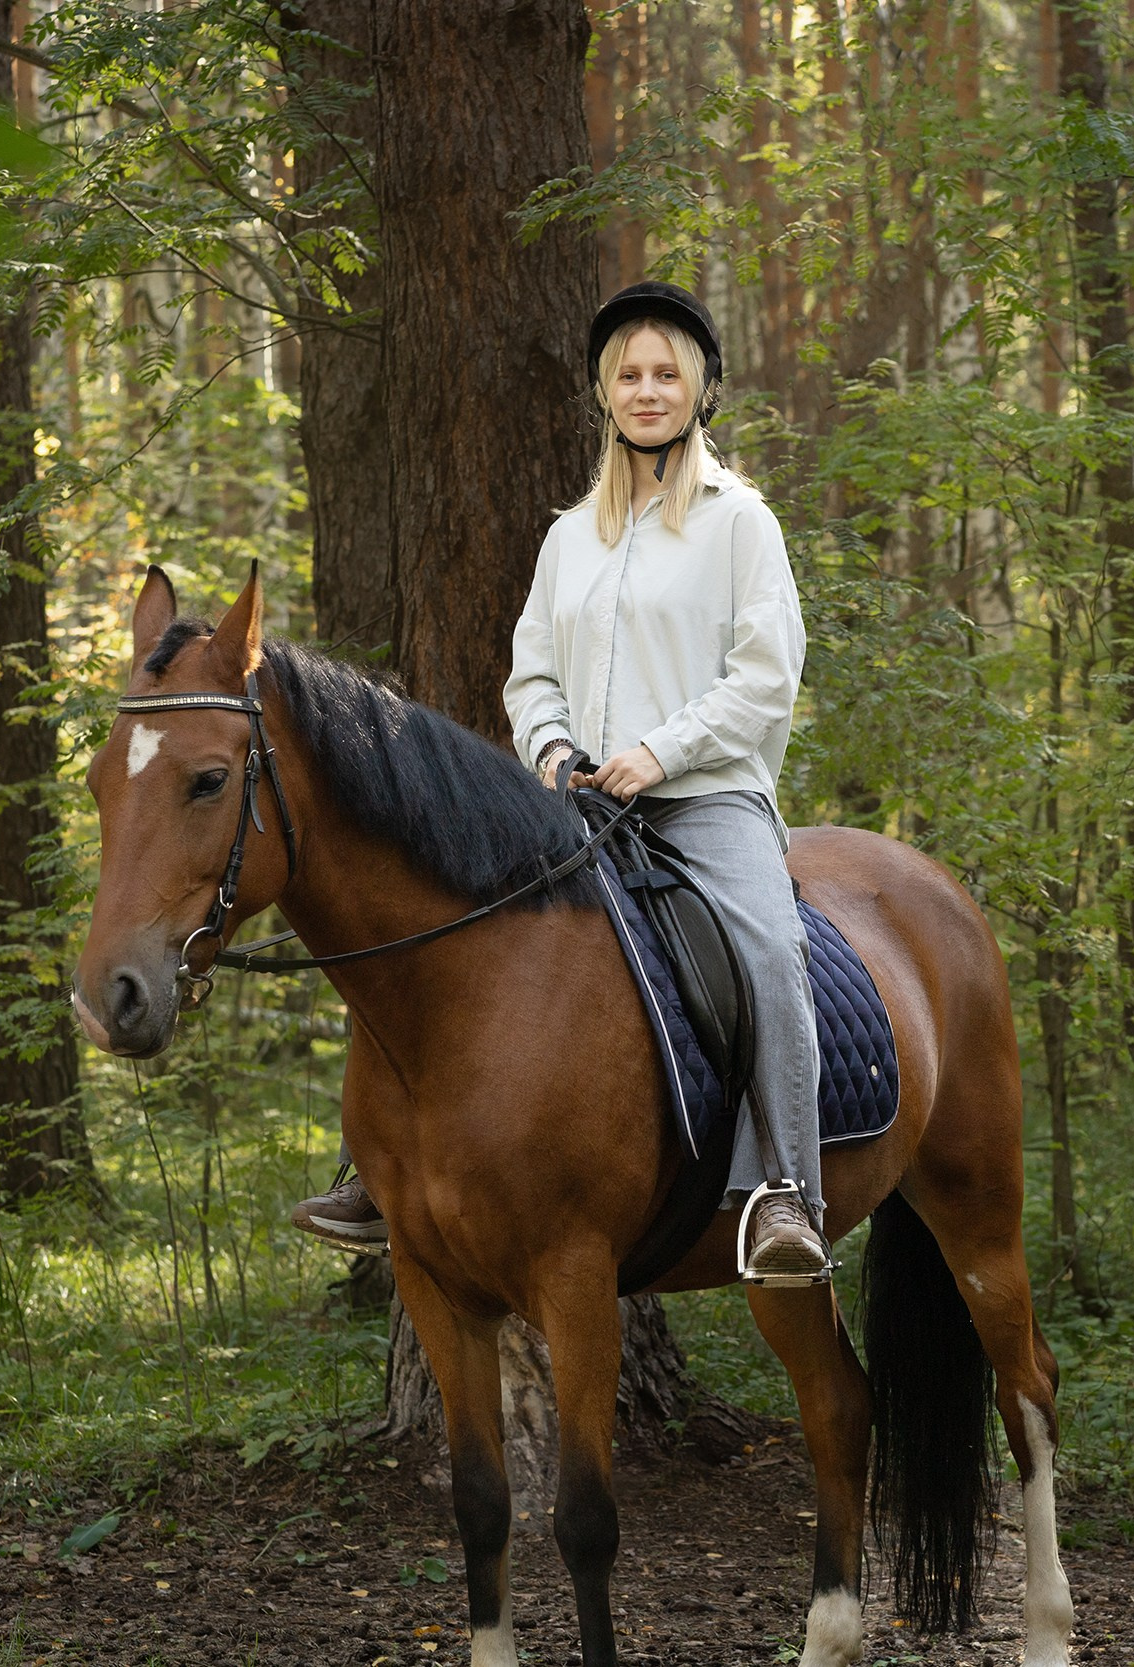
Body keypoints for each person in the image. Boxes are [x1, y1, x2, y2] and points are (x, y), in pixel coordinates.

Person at [293, 280, 831, 1286]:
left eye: (666, 372)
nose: (647, 389)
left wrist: (659, 752)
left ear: (700, 388)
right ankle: (380, 1170)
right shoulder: (568, 536)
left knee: (768, 946)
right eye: (629, 374)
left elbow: (765, 677)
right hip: (577, 804)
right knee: (445, 934)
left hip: (705, 800)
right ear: (604, 394)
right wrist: (548, 748)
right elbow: (530, 669)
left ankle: (786, 1193)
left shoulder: (739, 524)